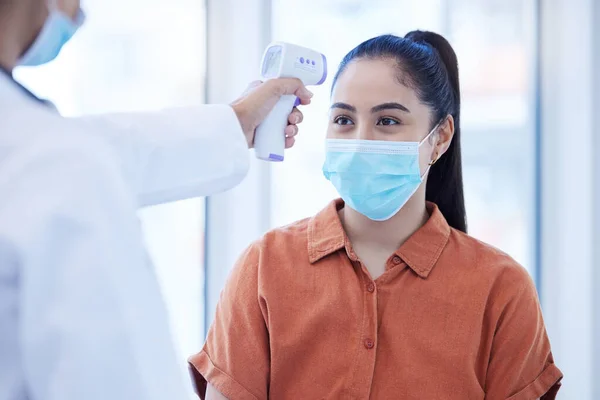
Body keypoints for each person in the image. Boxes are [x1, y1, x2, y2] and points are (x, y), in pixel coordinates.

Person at [190, 32, 564, 400]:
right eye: (343, 120)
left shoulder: (501, 288)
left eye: (387, 121)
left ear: (440, 138)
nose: (359, 141)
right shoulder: (264, 266)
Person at [0, 0, 312, 399]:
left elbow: (98, 149)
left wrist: (233, 124)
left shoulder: (47, 154)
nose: (77, 10)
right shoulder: (59, 165)